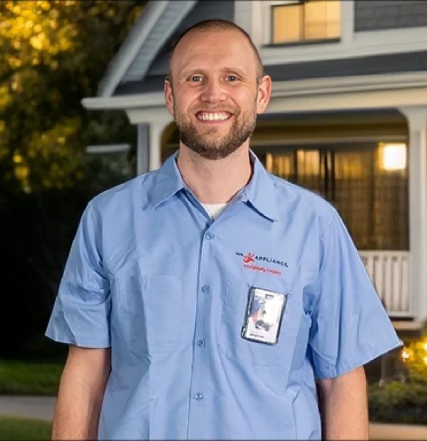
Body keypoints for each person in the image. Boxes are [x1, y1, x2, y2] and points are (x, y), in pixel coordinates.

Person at [46, 19, 402, 440]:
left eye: (232, 78)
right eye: (195, 78)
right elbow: (85, 373)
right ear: (170, 95)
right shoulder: (108, 219)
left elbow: (341, 381)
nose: (213, 94)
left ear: (262, 93)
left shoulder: (315, 227)